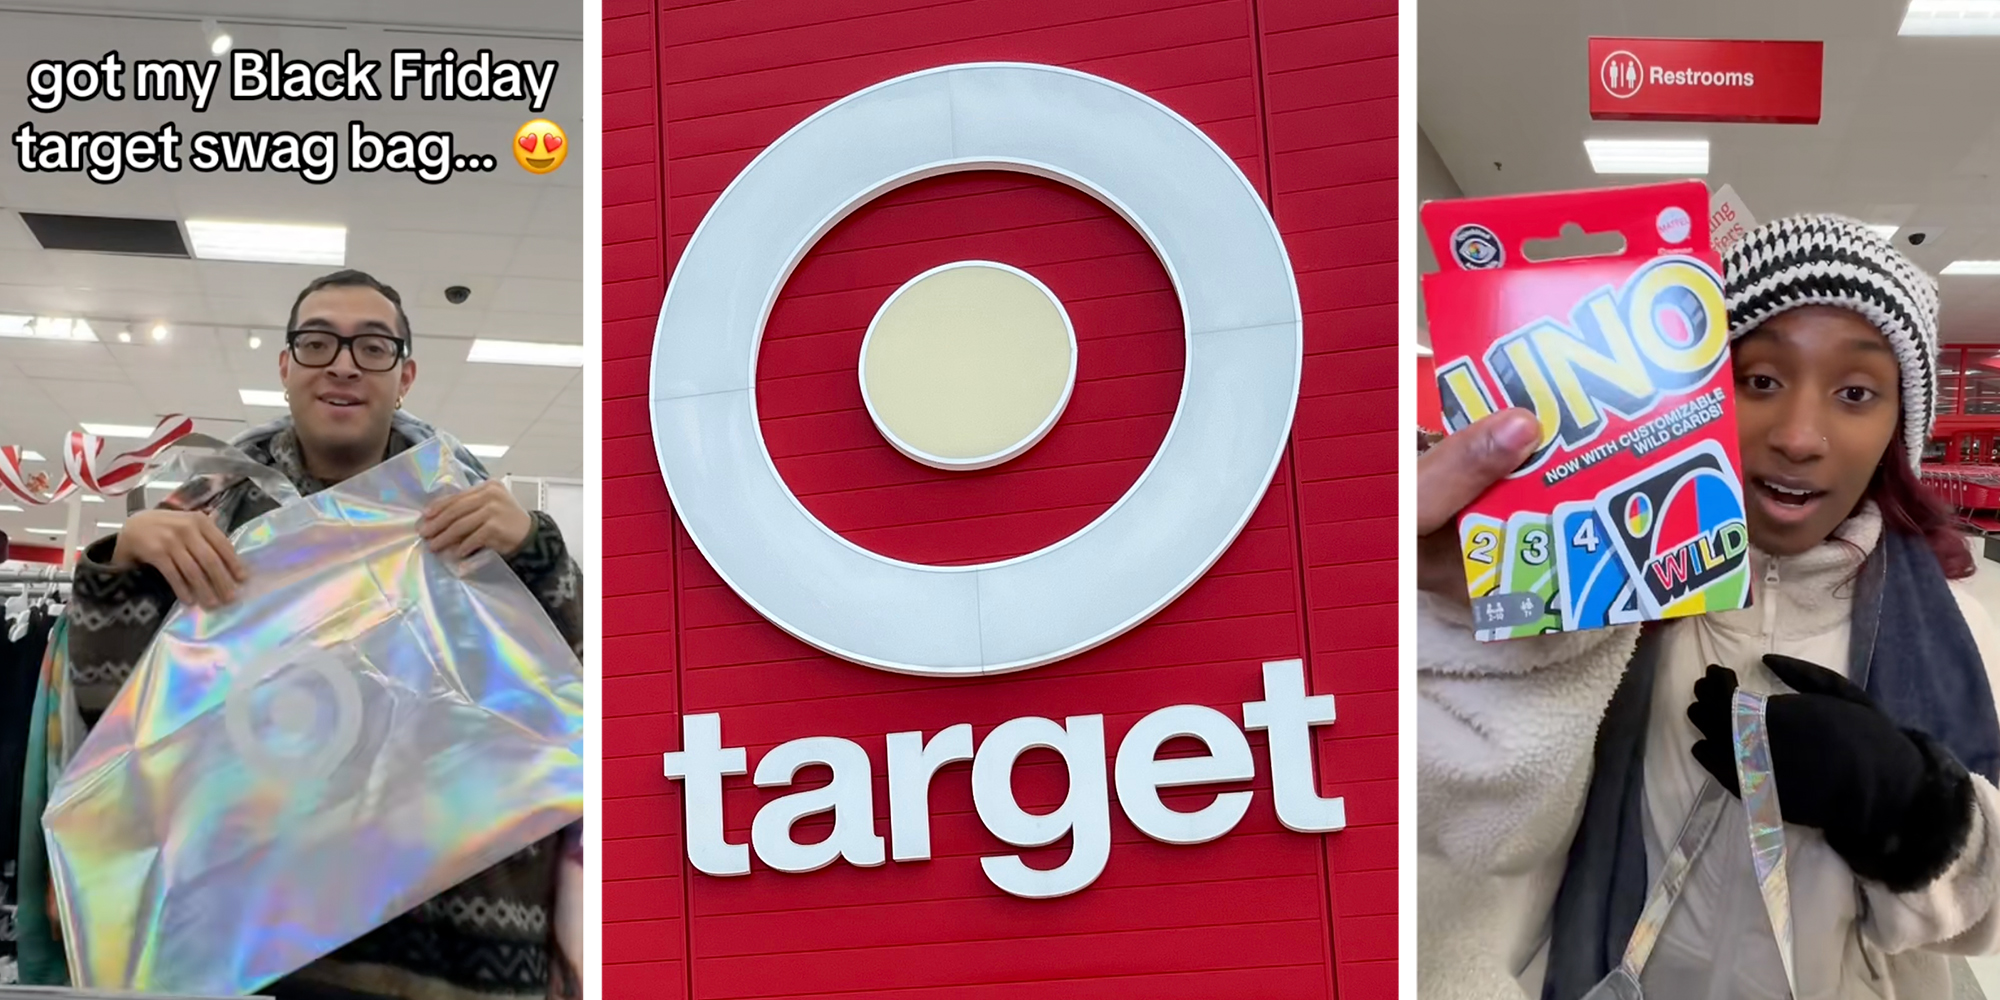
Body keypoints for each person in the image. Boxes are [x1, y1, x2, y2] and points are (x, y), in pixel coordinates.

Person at [1418, 217, 2000, 999]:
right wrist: (1463, 620)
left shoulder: (1969, 627)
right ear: (1693, 395)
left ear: (1900, 427)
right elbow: (1473, 839)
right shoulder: (1605, 607)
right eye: (1759, 379)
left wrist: (1907, 805)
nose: (1798, 436)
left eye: (1856, 392)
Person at [61, 269, 583, 1000]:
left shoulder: (473, 515)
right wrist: (121, 566)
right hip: (254, 953)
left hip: (457, 956)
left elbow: (583, 698)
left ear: (405, 375)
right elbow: (113, 724)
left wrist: (536, 549)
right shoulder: (208, 521)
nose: (342, 362)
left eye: (372, 346)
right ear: (285, 368)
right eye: (317, 342)